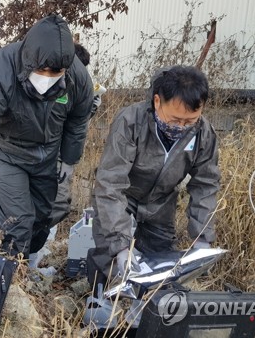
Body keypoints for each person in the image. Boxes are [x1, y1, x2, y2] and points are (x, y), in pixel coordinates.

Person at [0, 14, 94, 259]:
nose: (47, 76)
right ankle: (11, 276)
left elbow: (78, 120)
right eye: (42, 70)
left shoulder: (76, 77)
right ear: (28, 59)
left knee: (43, 218)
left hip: (48, 154)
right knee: (18, 221)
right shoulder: (0, 69)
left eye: (55, 71)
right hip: (8, 152)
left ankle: (24, 261)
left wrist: (69, 160)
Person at [86, 65, 220, 289]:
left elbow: (205, 184)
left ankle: (145, 313)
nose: (182, 127)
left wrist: (203, 238)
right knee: (111, 259)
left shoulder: (204, 133)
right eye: (176, 120)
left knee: (159, 266)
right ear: (157, 102)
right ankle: (103, 299)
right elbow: (110, 183)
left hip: (161, 203)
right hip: (123, 196)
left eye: (190, 121)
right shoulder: (131, 122)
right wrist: (121, 247)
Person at [49, 42, 104, 229]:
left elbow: (76, 126)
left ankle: (37, 244)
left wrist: (91, 108)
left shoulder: (79, 87)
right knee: (45, 203)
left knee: (59, 204)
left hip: (63, 154)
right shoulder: (51, 83)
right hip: (45, 151)